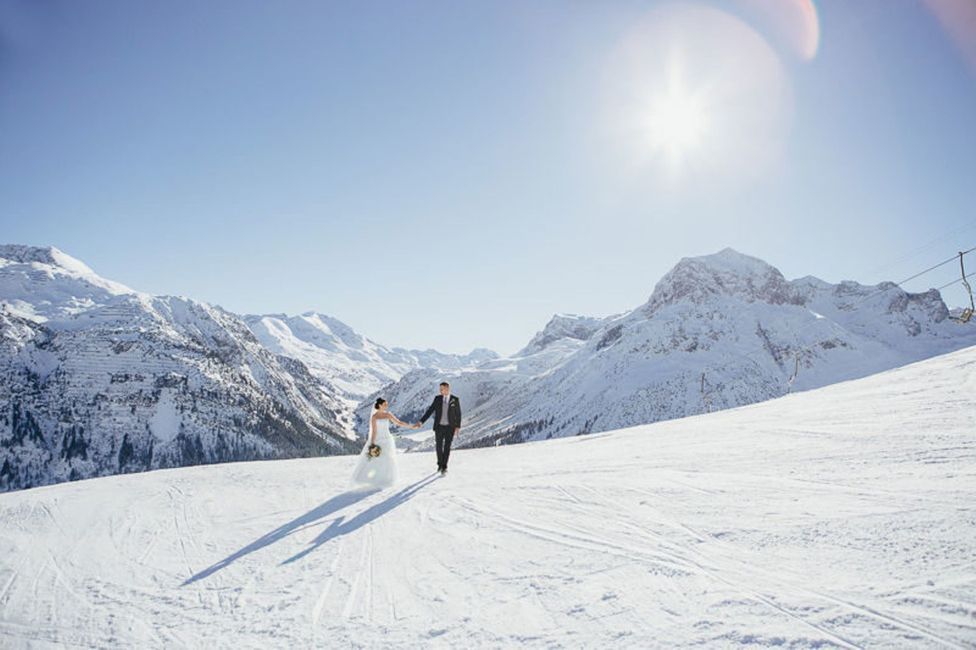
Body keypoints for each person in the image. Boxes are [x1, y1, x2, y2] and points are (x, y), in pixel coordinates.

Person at [349, 397, 418, 489]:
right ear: (380, 405)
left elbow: (399, 423)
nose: (386, 406)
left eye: (386, 404)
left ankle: (386, 480)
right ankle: (373, 479)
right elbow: (374, 431)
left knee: (388, 460)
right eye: (385, 404)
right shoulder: (374, 417)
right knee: (375, 460)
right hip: (378, 440)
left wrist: (411, 426)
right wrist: (372, 444)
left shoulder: (388, 415)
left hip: (387, 440)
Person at [416, 381, 462, 476]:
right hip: (439, 427)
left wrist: (457, 427)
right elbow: (430, 411)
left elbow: (458, 414)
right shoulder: (437, 399)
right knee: (438, 447)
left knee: (447, 447)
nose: (440, 391)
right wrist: (421, 421)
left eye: (442, 389)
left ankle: (444, 467)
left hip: (450, 427)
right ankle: (440, 464)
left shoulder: (455, 399)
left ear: (447, 388)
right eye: (440, 389)